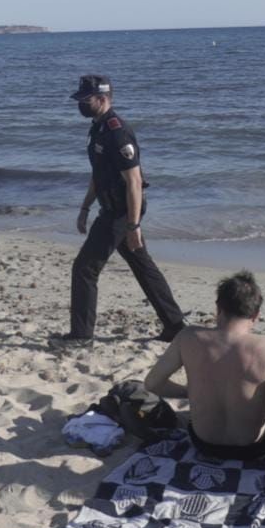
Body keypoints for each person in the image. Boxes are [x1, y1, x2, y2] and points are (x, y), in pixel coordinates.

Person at [65, 74, 185, 343]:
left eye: (86, 100)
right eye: (80, 100)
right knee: (142, 265)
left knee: (85, 268)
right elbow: (98, 174)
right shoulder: (98, 128)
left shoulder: (118, 132)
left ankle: (81, 336)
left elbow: (134, 182)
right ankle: (175, 326)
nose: (81, 105)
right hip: (111, 210)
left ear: (103, 99)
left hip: (121, 213)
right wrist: (84, 208)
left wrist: (133, 225)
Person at [143, 271, 265, 467]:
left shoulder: (188, 337)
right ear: (256, 315)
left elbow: (152, 383)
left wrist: (190, 392)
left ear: (218, 308)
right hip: (251, 449)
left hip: (203, 444)